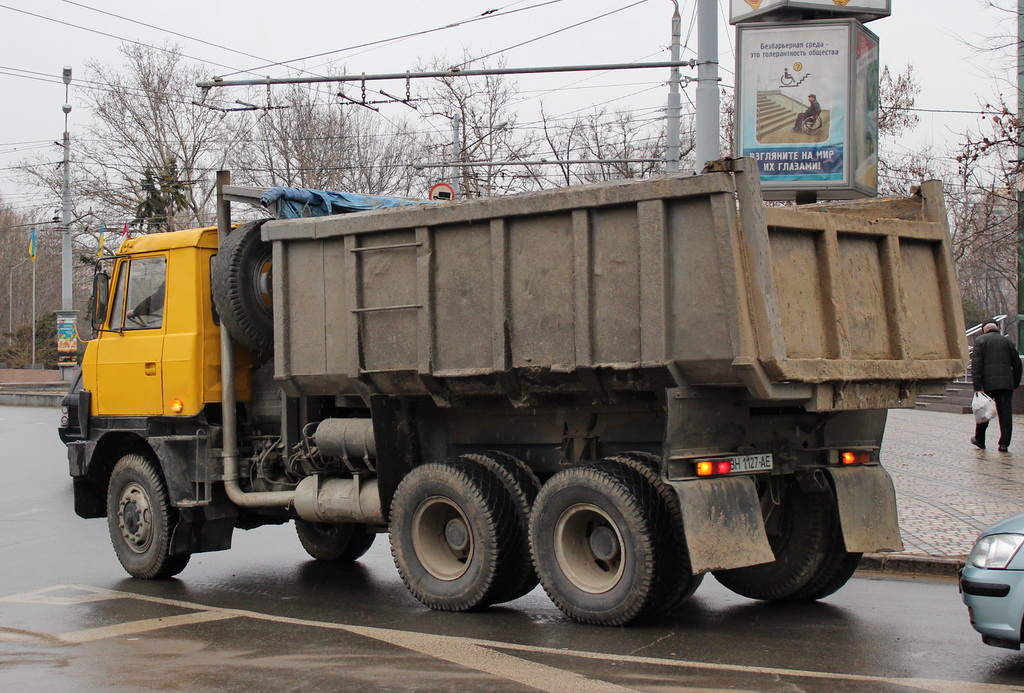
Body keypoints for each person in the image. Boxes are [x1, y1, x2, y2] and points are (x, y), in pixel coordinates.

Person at [971, 321, 1023, 452]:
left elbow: (976, 366)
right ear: (997, 328)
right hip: (1006, 384)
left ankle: (980, 440)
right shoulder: (1008, 342)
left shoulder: (980, 341)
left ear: (984, 329)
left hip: (987, 385)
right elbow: (1017, 365)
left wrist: (978, 387)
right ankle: (1004, 444)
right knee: (1005, 414)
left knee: (984, 412)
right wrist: (1015, 383)